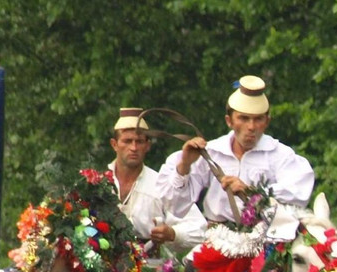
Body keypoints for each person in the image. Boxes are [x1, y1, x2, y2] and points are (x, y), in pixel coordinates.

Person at [157, 75, 315, 224]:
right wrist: (184, 165)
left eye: (258, 119)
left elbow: (298, 193)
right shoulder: (211, 152)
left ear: (267, 121)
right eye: (244, 118)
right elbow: (174, 207)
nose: (251, 127)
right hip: (217, 239)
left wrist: (251, 192)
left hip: (266, 241)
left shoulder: (280, 155)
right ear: (229, 121)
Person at [108, 107, 206, 258]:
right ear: (114, 144)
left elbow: (200, 229)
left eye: (139, 141)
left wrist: (173, 234)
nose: (133, 148)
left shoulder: (161, 184)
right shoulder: (98, 184)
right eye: (127, 141)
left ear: (147, 145)